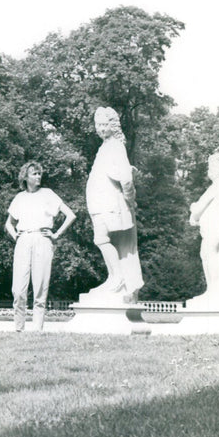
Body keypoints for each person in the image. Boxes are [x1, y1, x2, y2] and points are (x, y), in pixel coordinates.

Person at [5, 161, 76, 332]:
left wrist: (56, 235)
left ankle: (37, 330)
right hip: (23, 240)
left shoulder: (48, 194)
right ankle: (19, 329)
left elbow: (70, 215)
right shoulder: (20, 198)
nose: (38, 177)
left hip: (43, 240)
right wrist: (16, 236)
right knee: (18, 290)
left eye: (39, 173)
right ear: (26, 177)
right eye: (34, 174)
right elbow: (8, 223)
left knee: (40, 287)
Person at [85, 107, 143, 303]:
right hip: (101, 203)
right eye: (97, 125)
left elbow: (126, 179)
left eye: (104, 125)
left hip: (108, 203)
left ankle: (117, 278)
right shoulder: (106, 147)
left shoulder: (115, 146)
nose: (100, 129)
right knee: (103, 240)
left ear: (112, 125)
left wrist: (130, 200)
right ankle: (116, 278)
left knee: (101, 239)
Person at [186, 152, 219, 309]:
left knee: (209, 255)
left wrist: (193, 208)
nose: (209, 170)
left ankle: (214, 292)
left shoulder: (216, 186)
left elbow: (198, 208)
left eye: (211, 166)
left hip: (216, 224)